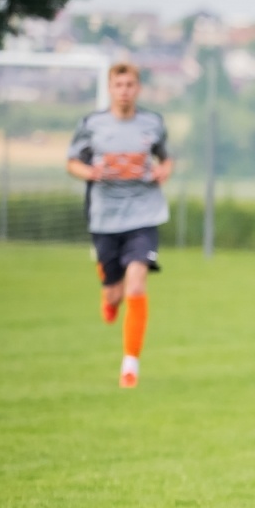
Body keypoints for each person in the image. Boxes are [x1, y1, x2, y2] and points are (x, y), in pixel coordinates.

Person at [65, 62, 173, 388]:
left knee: (137, 282)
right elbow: (72, 162)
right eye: (118, 85)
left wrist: (163, 170)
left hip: (143, 214)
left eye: (130, 85)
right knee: (114, 294)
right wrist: (90, 173)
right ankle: (109, 295)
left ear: (137, 89)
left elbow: (165, 158)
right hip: (105, 217)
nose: (124, 90)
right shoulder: (93, 125)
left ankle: (130, 365)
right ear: (110, 88)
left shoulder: (152, 124)